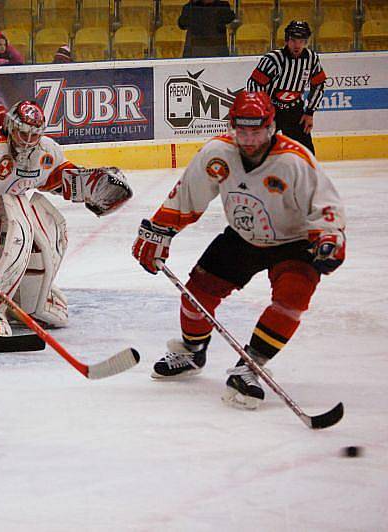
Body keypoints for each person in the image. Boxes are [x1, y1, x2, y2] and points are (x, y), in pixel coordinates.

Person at [131, 91, 346, 409]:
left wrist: (329, 239)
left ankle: (251, 365)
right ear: (232, 126)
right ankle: (192, 352)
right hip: (244, 237)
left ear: (271, 127)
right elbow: (188, 194)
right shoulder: (218, 153)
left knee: (292, 299)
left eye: (256, 130)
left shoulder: (293, 160)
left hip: (295, 242)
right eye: (241, 130)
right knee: (196, 293)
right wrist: (162, 229)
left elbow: (325, 205)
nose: (248, 139)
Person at [0, 100, 132, 347]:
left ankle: (31, 298)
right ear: (10, 126)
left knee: (53, 229)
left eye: (34, 136)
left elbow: (54, 177)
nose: (28, 141)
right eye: (23, 133)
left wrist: (87, 185)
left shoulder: (43, 152)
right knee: (14, 234)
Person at [246, 20, 326, 154]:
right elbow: (254, 84)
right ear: (287, 40)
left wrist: (310, 112)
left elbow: (318, 84)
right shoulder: (273, 59)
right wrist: (262, 111)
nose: (297, 45)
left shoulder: (311, 58)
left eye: (301, 41)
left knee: (305, 153)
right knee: (258, 150)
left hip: (295, 111)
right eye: (294, 40)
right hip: (271, 110)